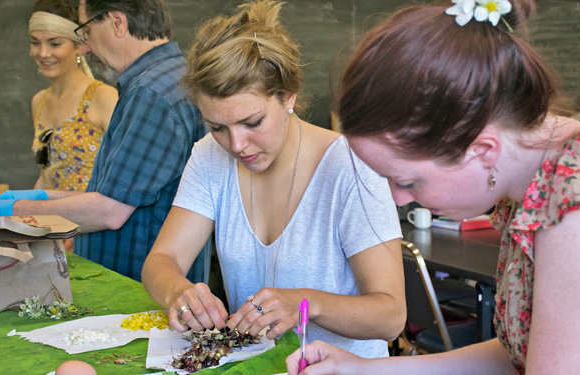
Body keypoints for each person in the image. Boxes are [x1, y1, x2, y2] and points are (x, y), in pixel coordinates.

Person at [286, 1, 580, 375]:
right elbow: (519, 352)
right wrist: (364, 369)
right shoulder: (541, 177)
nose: (397, 198)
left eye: (407, 181)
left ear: (482, 150)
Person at [141, 0, 405, 359]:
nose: (236, 144)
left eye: (252, 123)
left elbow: (390, 316)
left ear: (289, 96)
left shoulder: (351, 167)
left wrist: (303, 303)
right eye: (217, 126)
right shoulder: (208, 155)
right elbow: (162, 260)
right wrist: (178, 292)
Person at [0, 0, 207, 283]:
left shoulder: (150, 93)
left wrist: (17, 211)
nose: (84, 48)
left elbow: (111, 210)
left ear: (118, 23)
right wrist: (42, 197)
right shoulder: (166, 78)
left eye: (86, 33)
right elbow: (119, 191)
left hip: (134, 288)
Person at [28, 0, 117, 192]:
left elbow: (124, 174)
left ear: (79, 45)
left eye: (55, 44)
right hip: (52, 218)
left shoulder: (103, 97)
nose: (43, 53)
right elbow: (47, 175)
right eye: (35, 43)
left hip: (92, 219)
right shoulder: (39, 101)